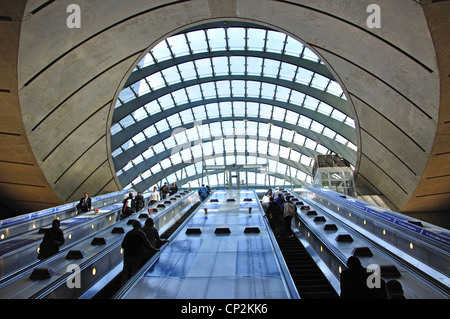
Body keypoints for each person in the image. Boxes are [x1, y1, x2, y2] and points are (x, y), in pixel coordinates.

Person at [121, 220, 159, 285]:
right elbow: (147, 244)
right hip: (136, 255)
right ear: (139, 226)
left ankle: (122, 285)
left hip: (127, 255)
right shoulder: (140, 233)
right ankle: (131, 285)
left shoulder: (128, 233)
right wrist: (154, 249)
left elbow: (123, 245)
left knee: (125, 271)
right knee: (134, 270)